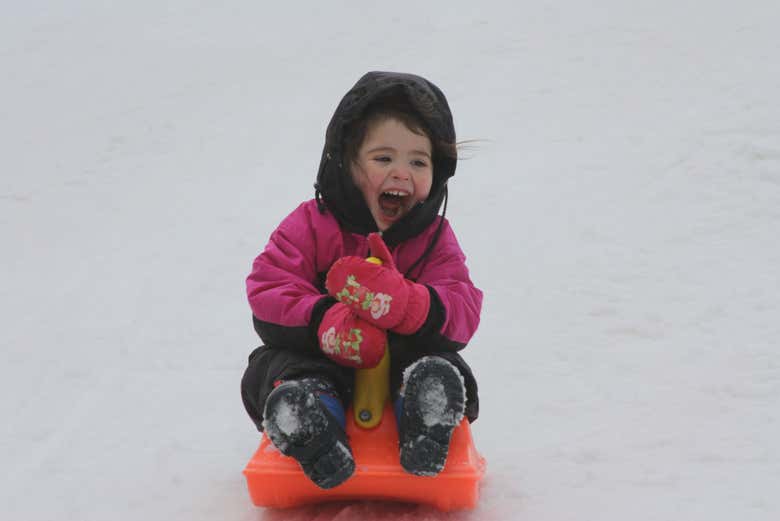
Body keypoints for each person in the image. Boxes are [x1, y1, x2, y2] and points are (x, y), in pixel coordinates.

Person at [241, 71, 482, 490]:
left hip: (399, 368)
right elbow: (268, 287)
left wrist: (412, 304)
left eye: (418, 162)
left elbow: (462, 306)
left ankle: (425, 412)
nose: (402, 173)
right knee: (270, 367)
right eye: (384, 158)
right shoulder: (311, 224)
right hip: (320, 359)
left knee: (444, 365)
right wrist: (324, 322)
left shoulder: (434, 238)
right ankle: (311, 419)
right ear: (348, 163)